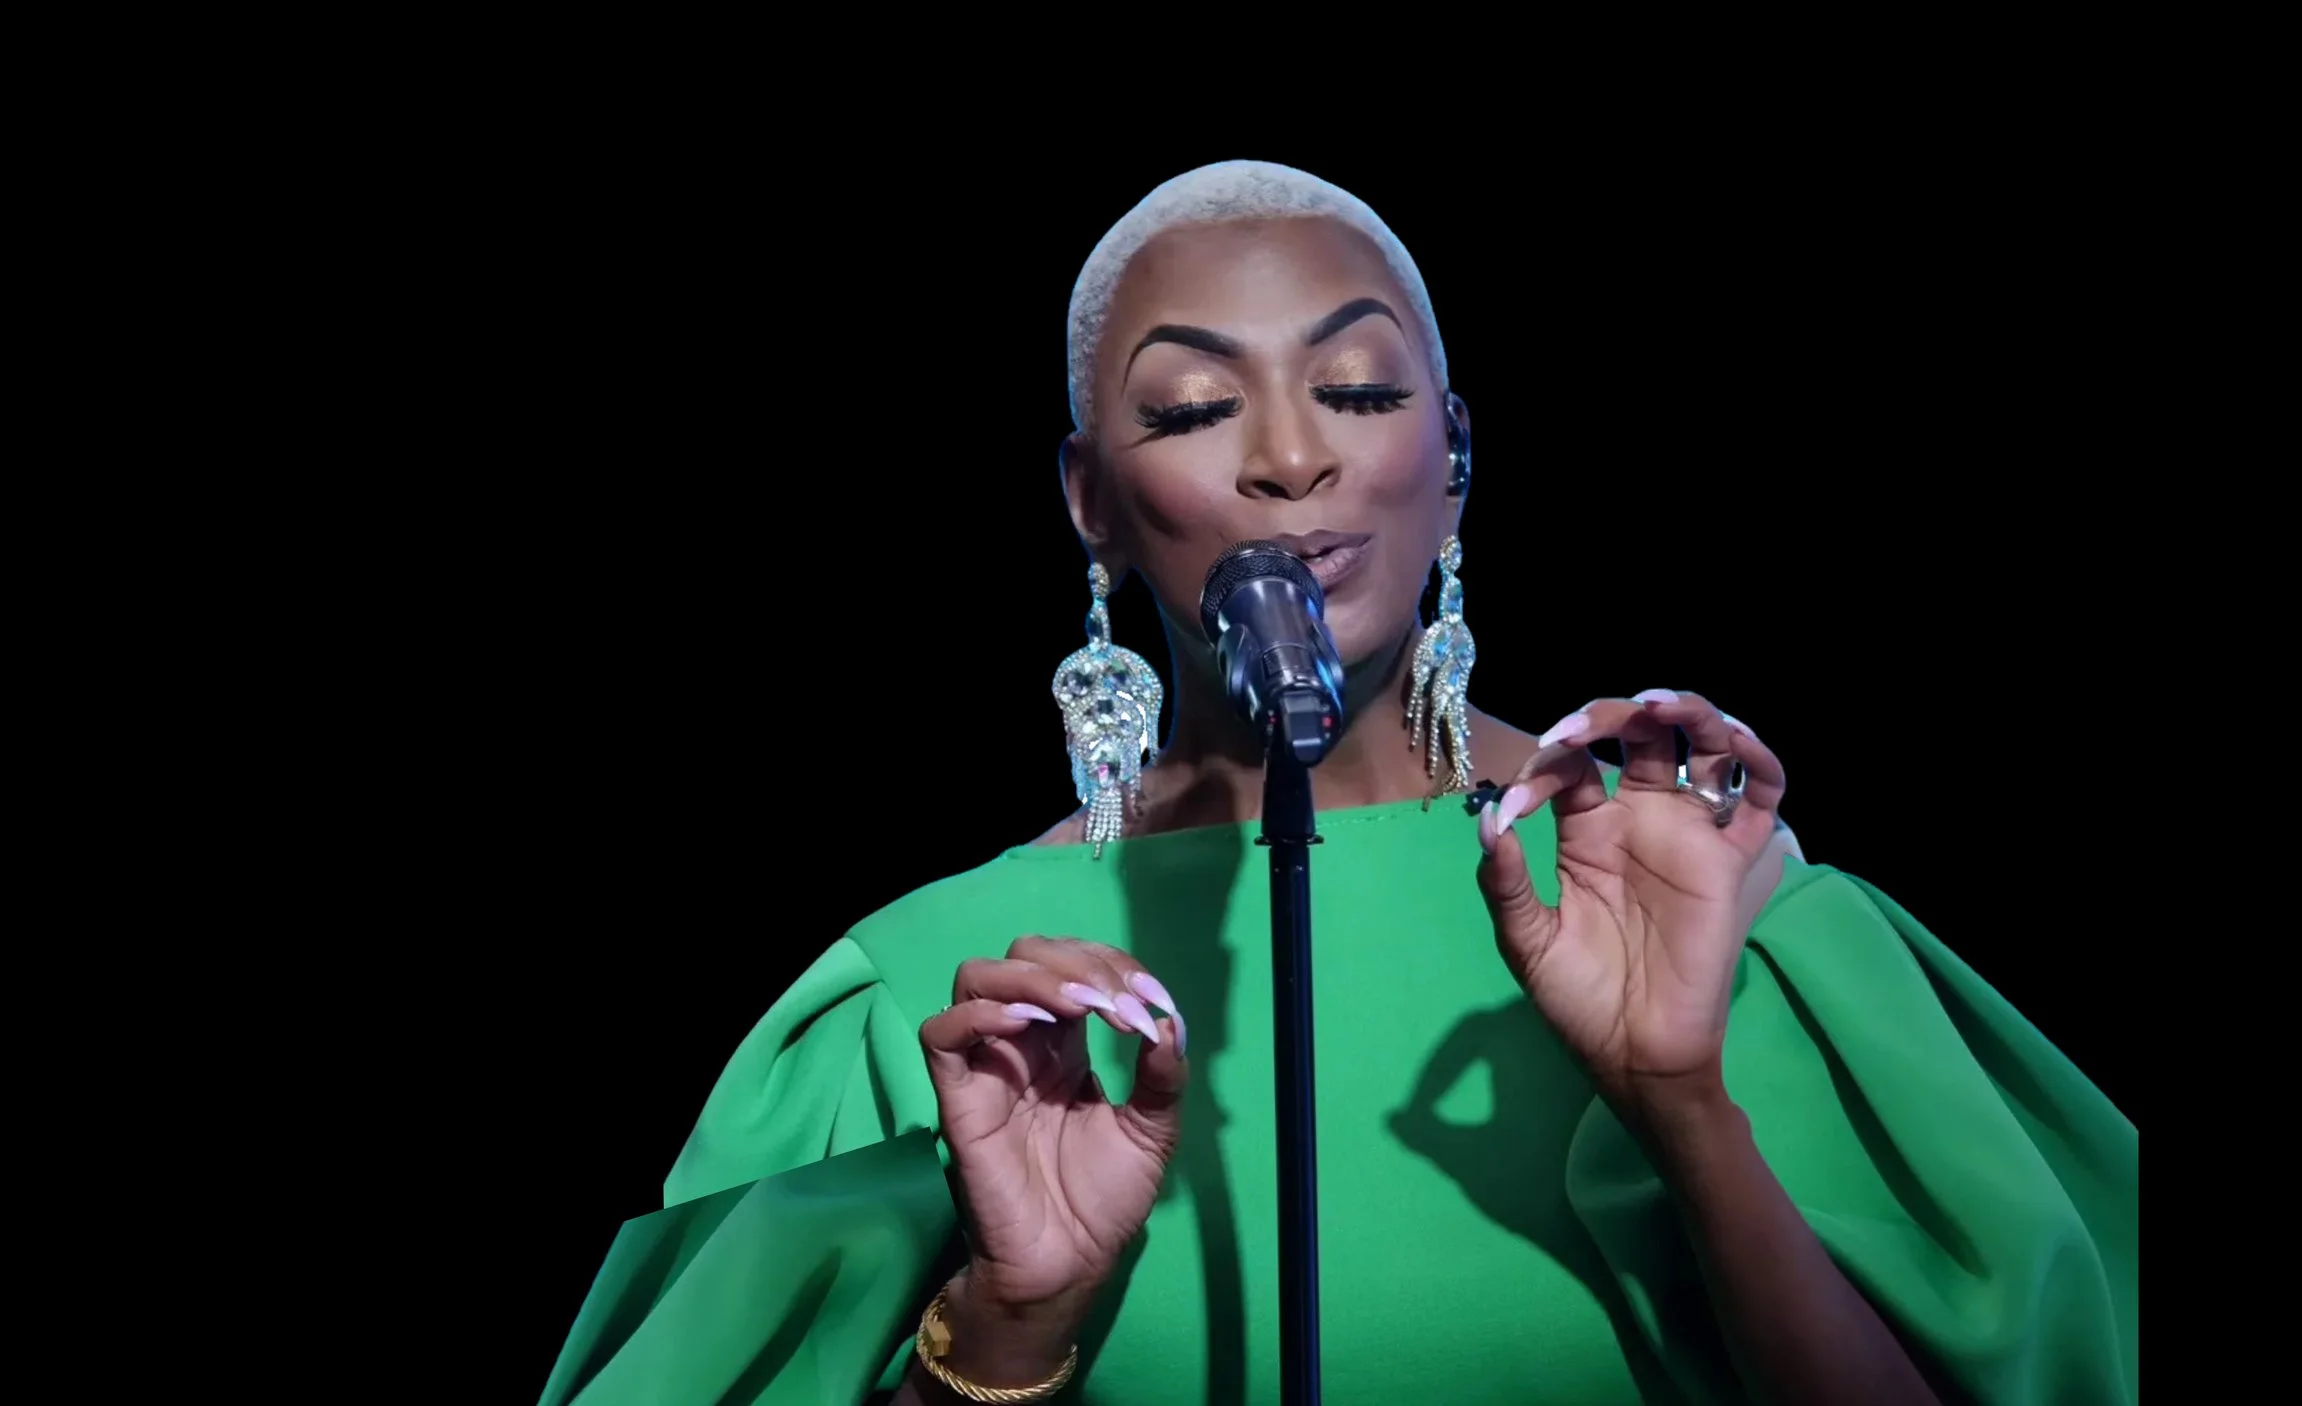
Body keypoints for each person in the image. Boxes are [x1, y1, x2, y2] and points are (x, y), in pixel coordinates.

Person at [539, 161, 2137, 1406]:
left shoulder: (1698, 892)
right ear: (1093, 501)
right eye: (1190, 407)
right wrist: (1011, 1323)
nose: (1289, 457)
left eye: (1358, 391)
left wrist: (1684, 1110)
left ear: (1451, 454)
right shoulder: (931, 997)